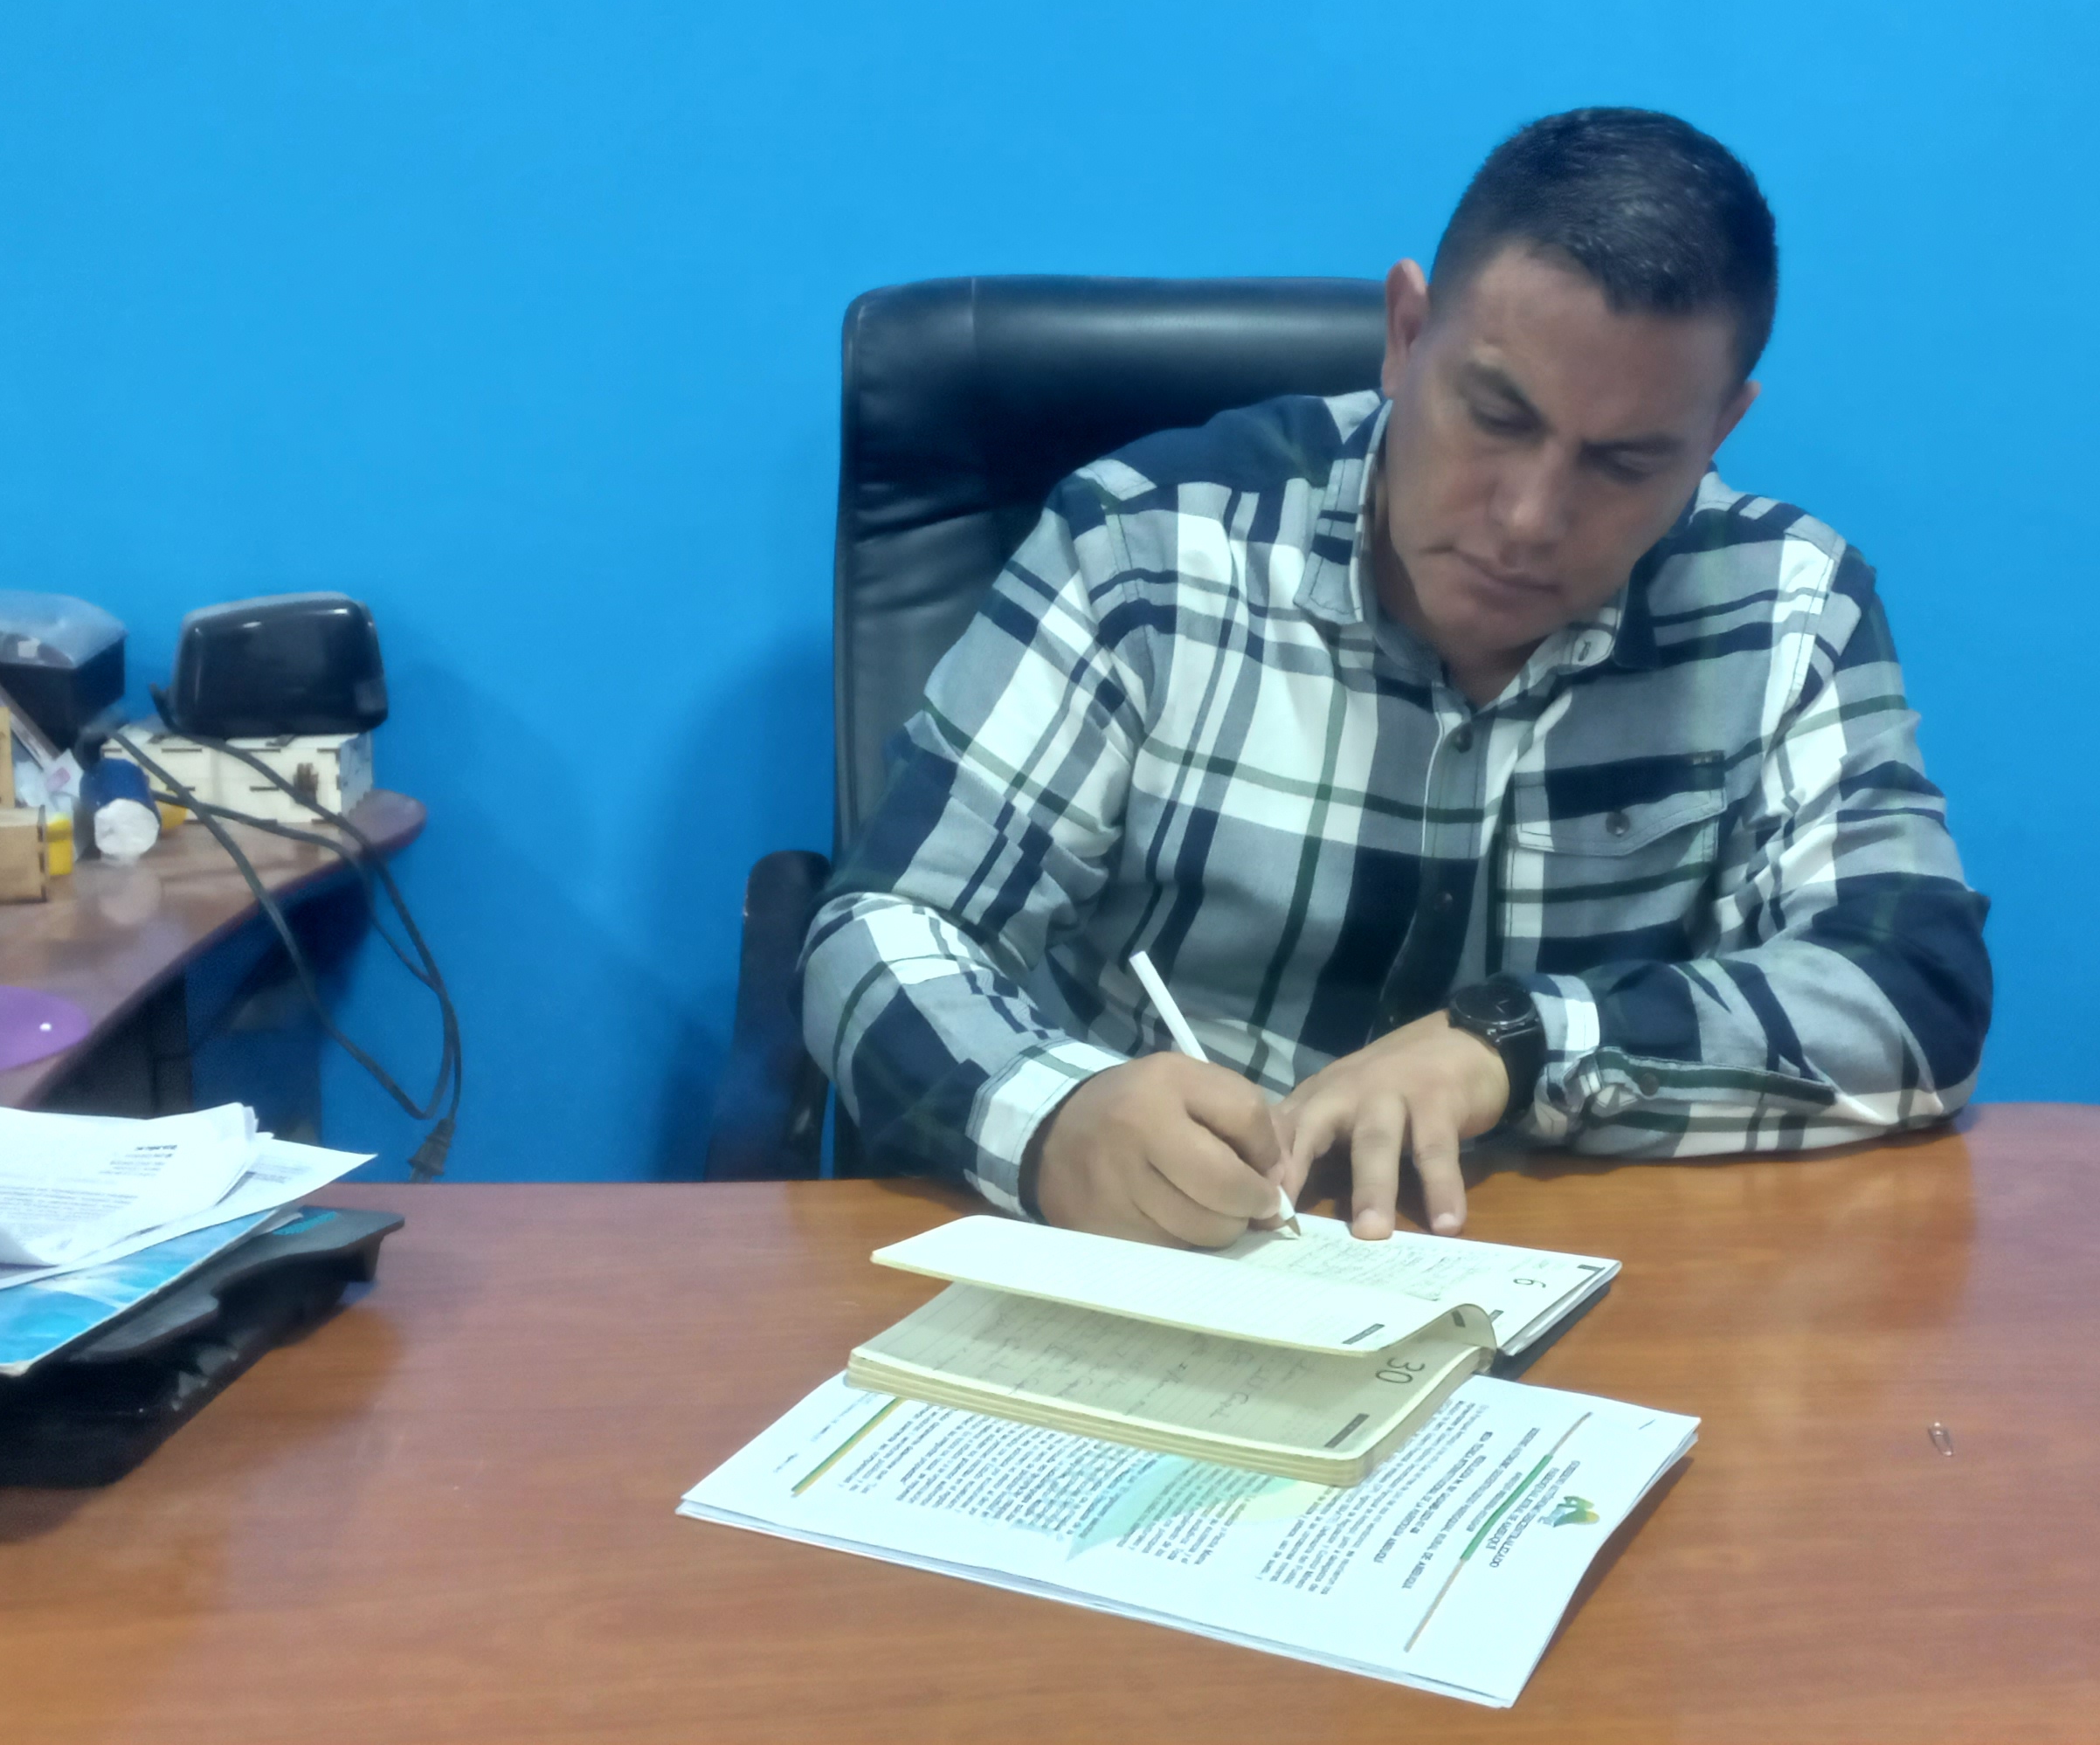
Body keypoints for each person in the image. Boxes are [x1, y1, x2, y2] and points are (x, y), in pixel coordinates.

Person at [804, 107, 1991, 1249]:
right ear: (1407, 335)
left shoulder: (1787, 606)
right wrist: (1054, 1120)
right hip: (1171, 1251)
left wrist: (1520, 1044)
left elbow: (1909, 988)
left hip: (1576, 1275)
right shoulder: (1149, 546)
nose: (1529, 519)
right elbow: (889, 925)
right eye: (1497, 416)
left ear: (1721, 428)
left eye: (1626, 463)